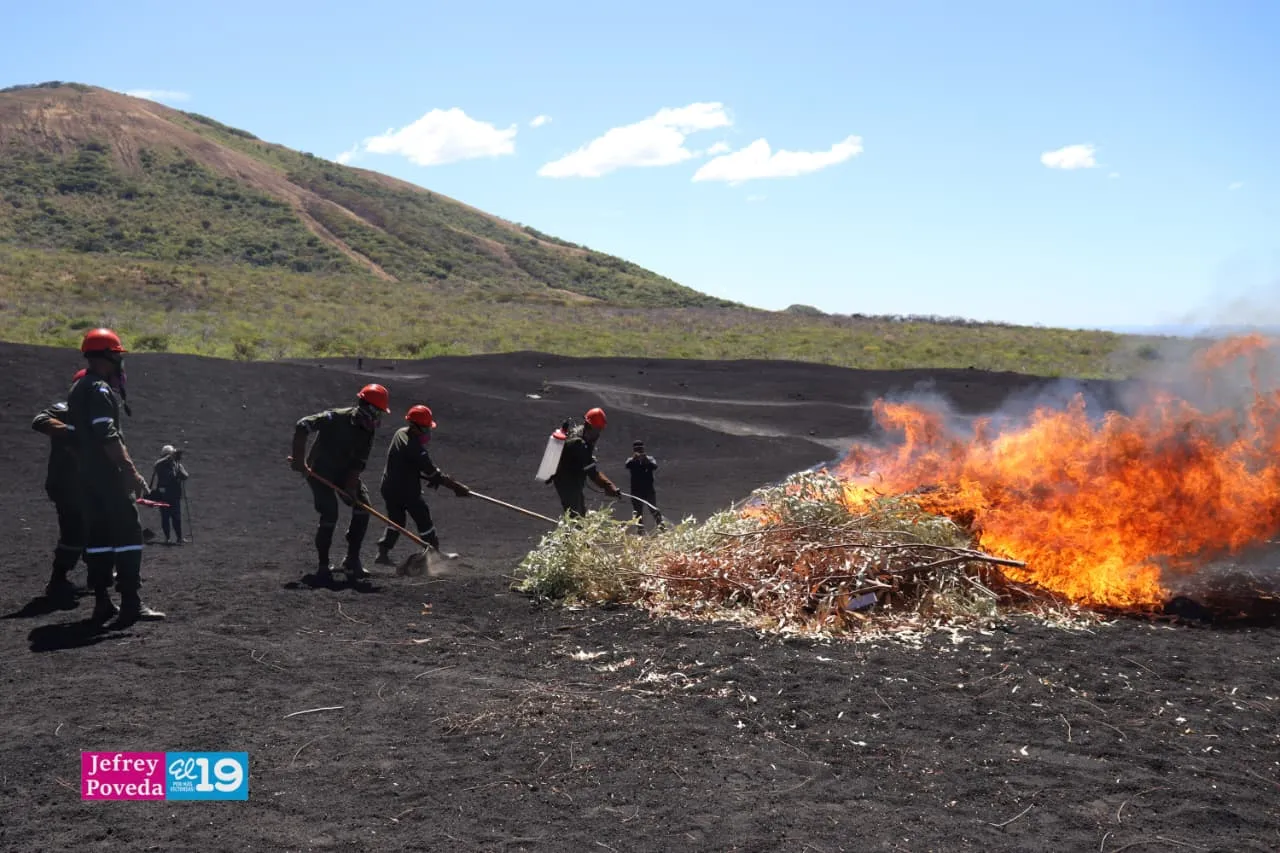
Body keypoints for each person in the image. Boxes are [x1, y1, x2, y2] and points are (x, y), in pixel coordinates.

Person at [66, 327, 163, 623]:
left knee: (98, 538)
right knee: (129, 534)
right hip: (108, 478)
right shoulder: (99, 389)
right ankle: (132, 602)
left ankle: (102, 603)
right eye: (117, 354)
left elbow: (72, 439)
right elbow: (107, 434)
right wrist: (130, 471)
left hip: (86, 477)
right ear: (108, 356)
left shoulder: (77, 389)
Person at [290, 383, 390, 582]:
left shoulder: (367, 430)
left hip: (344, 474)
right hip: (320, 472)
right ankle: (323, 566)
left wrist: (351, 489)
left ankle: (352, 561)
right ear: (367, 408)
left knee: (363, 509)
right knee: (330, 514)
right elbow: (303, 425)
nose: (378, 419)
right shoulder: (335, 417)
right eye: (378, 412)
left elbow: (358, 462)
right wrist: (300, 460)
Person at [374, 405, 470, 565]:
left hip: (389, 486)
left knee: (396, 520)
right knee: (423, 517)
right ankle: (435, 553)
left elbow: (410, 464)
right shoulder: (415, 448)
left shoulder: (400, 433)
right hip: (406, 490)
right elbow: (432, 472)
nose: (427, 432)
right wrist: (456, 487)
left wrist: (431, 476)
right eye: (425, 428)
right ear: (416, 427)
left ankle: (382, 553)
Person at [31, 392, 85, 601]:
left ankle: (97, 574)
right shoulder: (66, 409)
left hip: (85, 483)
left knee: (93, 527)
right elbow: (39, 420)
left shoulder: (100, 409)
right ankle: (57, 581)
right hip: (67, 484)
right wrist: (72, 432)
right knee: (74, 530)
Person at [550, 407, 620, 518]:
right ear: (590, 426)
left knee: (580, 513)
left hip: (572, 479)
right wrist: (608, 486)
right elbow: (592, 472)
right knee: (575, 517)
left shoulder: (581, 432)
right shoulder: (579, 444)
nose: (599, 434)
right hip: (567, 482)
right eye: (598, 429)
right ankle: (571, 533)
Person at [149, 445, 189, 545]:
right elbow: (169, 476)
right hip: (164, 495)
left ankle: (179, 537)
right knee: (165, 517)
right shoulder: (160, 465)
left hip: (174, 495)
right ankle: (167, 538)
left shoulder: (176, 464)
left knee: (176, 517)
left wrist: (178, 468)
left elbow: (185, 475)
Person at [624, 440, 665, 531]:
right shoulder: (631, 460)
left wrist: (645, 459)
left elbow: (654, 466)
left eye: (640, 448)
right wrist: (635, 459)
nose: (639, 450)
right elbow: (627, 465)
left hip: (648, 490)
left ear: (643, 448)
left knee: (654, 510)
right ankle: (640, 533)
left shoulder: (650, 458)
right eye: (637, 449)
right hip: (636, 491)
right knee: (638, 514)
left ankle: (663, 529)